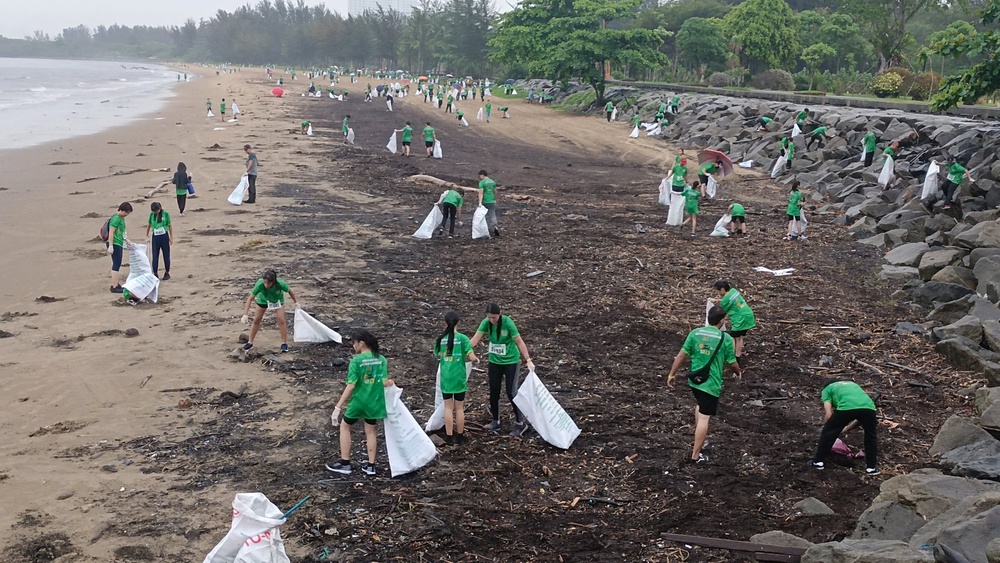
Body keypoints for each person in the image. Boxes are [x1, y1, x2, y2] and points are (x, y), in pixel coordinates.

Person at [666, 305, 741, 464]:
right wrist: (738, 372)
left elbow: (681, 355)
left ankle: (698, 437)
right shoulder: (725, 338)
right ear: (721, 322)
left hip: (695, 381)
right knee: (705, 418)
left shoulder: (695, 333)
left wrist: (672, 374)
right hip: (710, 384)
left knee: (700, 407)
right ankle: (695, 455)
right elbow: (732, 362)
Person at [327, 330, 394, 476]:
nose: (353, 346)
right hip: (374, 401)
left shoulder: (356, 361)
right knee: (370, 431)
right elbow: (384, 382)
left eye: (354, 343)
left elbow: (351, 385)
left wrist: (338, 406)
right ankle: (371, 465)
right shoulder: (381, 359)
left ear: (361, 343)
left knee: (345, 426)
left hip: (358, 401)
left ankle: (345, 463)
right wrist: (391, 382)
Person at [469, 303, 535, 436]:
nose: (492, 320)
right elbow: (476, 338)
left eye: (494, 317)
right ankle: (496, 420)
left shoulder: (508, 323)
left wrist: (528, 359)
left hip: (511, 361)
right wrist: (464, 350)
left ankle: (520, 423)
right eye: (489, 317)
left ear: (499, 314)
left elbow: (519, 341)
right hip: (495, 362)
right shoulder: (486, 323)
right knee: (494, 391)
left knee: (511, 392)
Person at [810, 379, 880, 476]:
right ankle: (871, 468)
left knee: (828, 433)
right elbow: (859, 414)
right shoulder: (852, 384)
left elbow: (829, 414)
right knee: (871, 437)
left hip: (846, 407)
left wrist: (828, 428)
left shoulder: (827, 389)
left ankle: (818, 462)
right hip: (869, 408)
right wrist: (847, 428)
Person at [434, 312, 479, 444]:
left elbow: (437, 354)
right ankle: (460, 434)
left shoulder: (440, 339)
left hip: (446, 378)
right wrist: (475, 359)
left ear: (444, 323)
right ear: (458, 322)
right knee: (459, 407)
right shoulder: (463, 339)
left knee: (448, 407)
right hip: (459, 378)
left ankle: (449, 435)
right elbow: (470, 355)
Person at [240, 269, 298, 353]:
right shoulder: (260, 284)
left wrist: (296, 302)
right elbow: (250, 298)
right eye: (265, 283)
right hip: (263, 300)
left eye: (268, 283)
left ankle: (284, 343)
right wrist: (245, 314)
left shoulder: (280, 284)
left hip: (277, 301)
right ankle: (250, 342)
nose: (266, 285)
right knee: (256, 320)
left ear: (273, 282)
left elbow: (290, 291)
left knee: (281, 320)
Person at [712, 280, 755, 366]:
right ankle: (737, 356)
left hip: (740, 319)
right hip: (748, 315)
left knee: (732, 337)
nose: (718, 293)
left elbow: (721, 310)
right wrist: (718, 300)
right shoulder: (734, 291)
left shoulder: (725, 301)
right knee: (739, 337)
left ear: (722, 289)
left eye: (718, 290)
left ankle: (733, 359)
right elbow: (730, 300)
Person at [106, 202, 133, 294]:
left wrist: (126, 240)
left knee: (118, 262)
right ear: (121, 210)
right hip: (115, 243)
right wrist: (110, 245)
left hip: (119, 242)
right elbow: (111, 232)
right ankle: (114, 286)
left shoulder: (121, 219)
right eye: (126, 212)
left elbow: (121, 231)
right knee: (116, 264)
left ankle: (116, 283)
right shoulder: (116, 219)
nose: (126, 214)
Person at [145, 202, 173, 280]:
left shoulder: (166, 214)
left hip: (164, 236)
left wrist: (171, 237)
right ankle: (155, 273)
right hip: (155, 236)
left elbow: (169, 225)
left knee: (166, 254)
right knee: (155, 255)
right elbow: (149, 224)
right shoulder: (151, 215)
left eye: (157, 210)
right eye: (154, 211)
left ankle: (167, 272)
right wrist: (147, 235)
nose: (156, 212)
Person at [477, 170, 500, 237]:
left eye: (480, 176)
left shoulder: (482, 183)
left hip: (485, 201)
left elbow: (481, 193)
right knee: (492, 214)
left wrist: (480, 202)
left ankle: (486, 229)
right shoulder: (492, 182)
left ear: (482, 175)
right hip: (492, 200)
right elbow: (495, 191)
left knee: (484, 215)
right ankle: (495, 226)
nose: (479, 177)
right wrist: (495, 199)